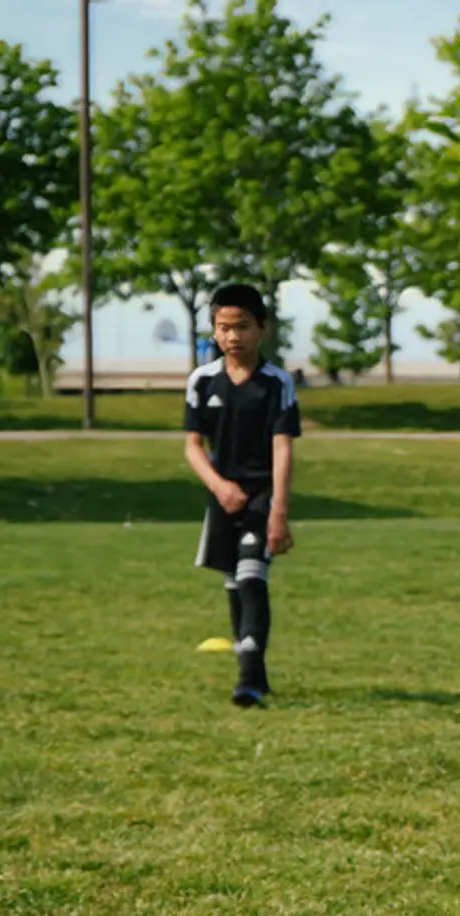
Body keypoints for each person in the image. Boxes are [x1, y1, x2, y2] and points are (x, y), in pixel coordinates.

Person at [183, 284, 300, 707]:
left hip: (261, 497)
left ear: (262, 329)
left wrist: (279, 512)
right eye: (224, 327)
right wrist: (219, 486)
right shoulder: (201, 381)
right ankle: (258, 673)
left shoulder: (276, 383)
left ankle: (247, 680)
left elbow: (283, 446)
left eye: (243, 327)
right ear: (214, 331)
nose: (233, 336)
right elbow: (193, 445)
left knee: (252, 579)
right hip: (223, 498)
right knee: (234, 584)